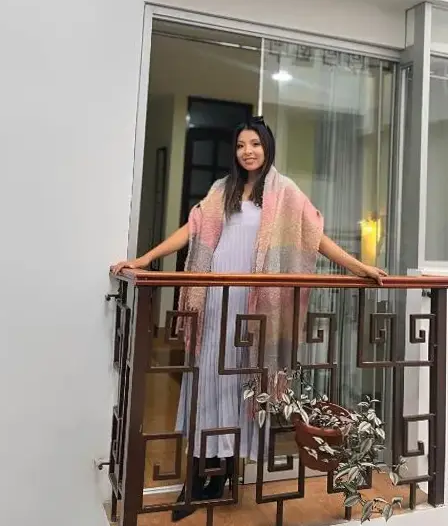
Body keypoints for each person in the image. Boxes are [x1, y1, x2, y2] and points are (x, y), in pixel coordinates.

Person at [112, 116, 386, 520]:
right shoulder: (220, 190)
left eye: (254, 143)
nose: (248, 151)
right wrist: (144, 259)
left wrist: (359, 267)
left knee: (241, 389)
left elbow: (316, 238)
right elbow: (190, 231)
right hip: (215, 303)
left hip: (256, 309)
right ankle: (197, 480)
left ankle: (223, 475)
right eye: (241, 145)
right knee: (207, 383)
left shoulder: (284, 192)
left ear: (267, 146)